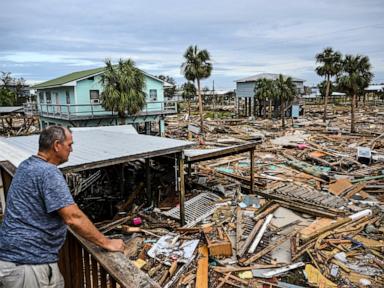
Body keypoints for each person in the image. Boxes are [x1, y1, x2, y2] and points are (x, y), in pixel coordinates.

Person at [0, 126, 125, 287]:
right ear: (57, 145)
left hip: (19, 258)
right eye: (69, 145)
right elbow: (73, 217)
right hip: (27, 263)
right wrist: (107, 242)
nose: (71, 150)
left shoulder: (26, 165)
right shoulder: (48, 172)